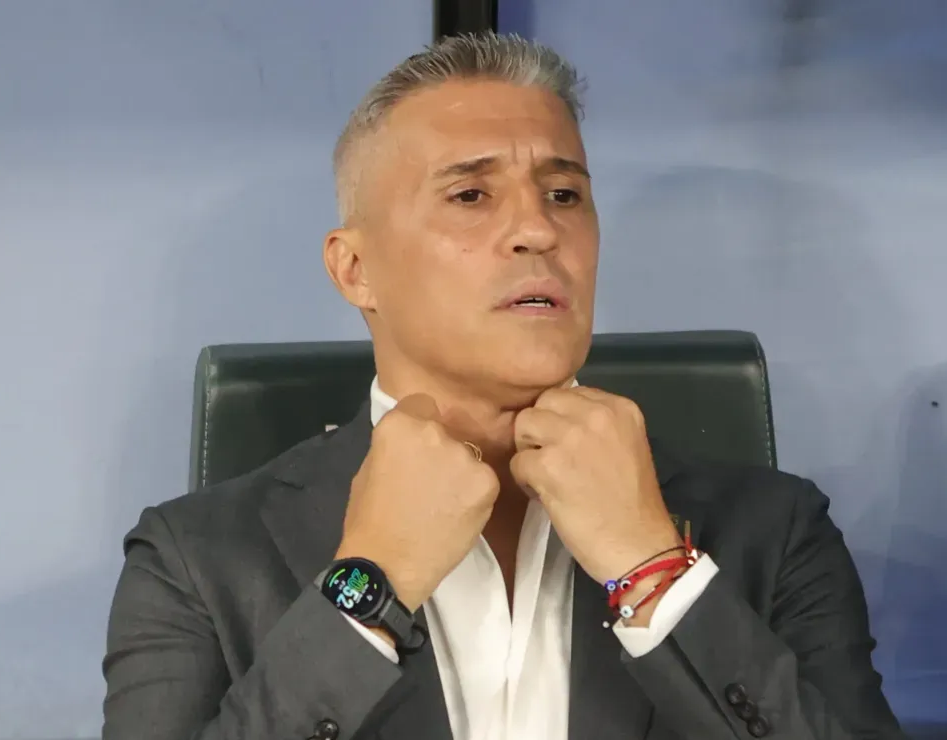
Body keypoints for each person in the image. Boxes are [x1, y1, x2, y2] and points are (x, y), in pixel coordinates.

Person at [102, 31, 905, 740]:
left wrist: (653, 570)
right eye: (470, 195)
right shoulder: (196, 560)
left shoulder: (775, 533)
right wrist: (369, 587)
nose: (537, 229)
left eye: (564, 195)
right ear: (355, 268)